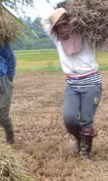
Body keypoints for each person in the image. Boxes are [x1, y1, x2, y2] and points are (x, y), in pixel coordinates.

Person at [42, 8, 103, 158]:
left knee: (86, 120)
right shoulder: (57, 40)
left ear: (73, 23)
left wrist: (74, 13)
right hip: (72, 84)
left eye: (65, 24)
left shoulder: (86, 35)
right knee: (69, 119)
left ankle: (85, 153)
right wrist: (56, 10)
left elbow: (103, 35)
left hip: (91, 82)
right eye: (59, 26)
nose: (63, 29)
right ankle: (79, 138)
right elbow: (44, 20)